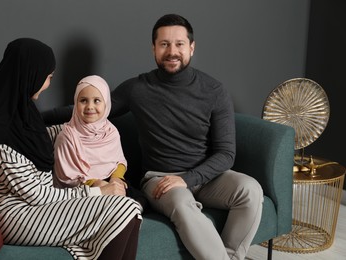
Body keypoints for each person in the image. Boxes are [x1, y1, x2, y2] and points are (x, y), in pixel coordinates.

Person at [0, 38, 142, 260]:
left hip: (42, 204)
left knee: (130, 207)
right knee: (123, 208)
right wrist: (98, 191)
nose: (48, 83)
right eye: (48, 77)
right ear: (31, 74)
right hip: (16, 214)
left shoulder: (22, 112)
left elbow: (47, 134)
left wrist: (85, 125)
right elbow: (35, 193)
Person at [110, 14, 263, 260]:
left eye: (179, 44)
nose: (172, 51)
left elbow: (226, 153)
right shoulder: (136, 89)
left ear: (191, 47)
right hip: (160, 179)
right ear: (153, 49)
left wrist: (190, 177)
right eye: (164, 44)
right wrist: (33, 113)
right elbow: (92, 109)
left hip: (207, 178)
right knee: (182, 202)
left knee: (251, 190)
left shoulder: (214, 90)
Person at [53, 75, 147, 210]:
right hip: (85, 188)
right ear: (76, 102)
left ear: (106, 103)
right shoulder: (67, 136)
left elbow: (120, 161)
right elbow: (66, 177)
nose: (90, 107)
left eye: (97, 100)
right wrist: (97, 183)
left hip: (111, 179)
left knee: (141, 198)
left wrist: (117, 178)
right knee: (113, 203)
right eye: (83, 100)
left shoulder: (110, 131)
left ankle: (128, 208)